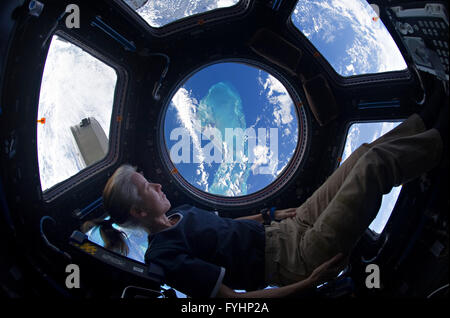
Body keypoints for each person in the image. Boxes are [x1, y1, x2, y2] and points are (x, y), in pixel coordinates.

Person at [82, 85, 448, 298]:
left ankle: (426, 121)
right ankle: (442, 140)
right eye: (147, 187)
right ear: (138, 213)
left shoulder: (182, 214)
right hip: (297, 259)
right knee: (375, 168)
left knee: (363, 155)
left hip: (291, 225)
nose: (159, 184)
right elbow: (236, 306)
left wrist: (269, 215)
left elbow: (226, 229)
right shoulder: (164, 258)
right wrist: (308, 283)